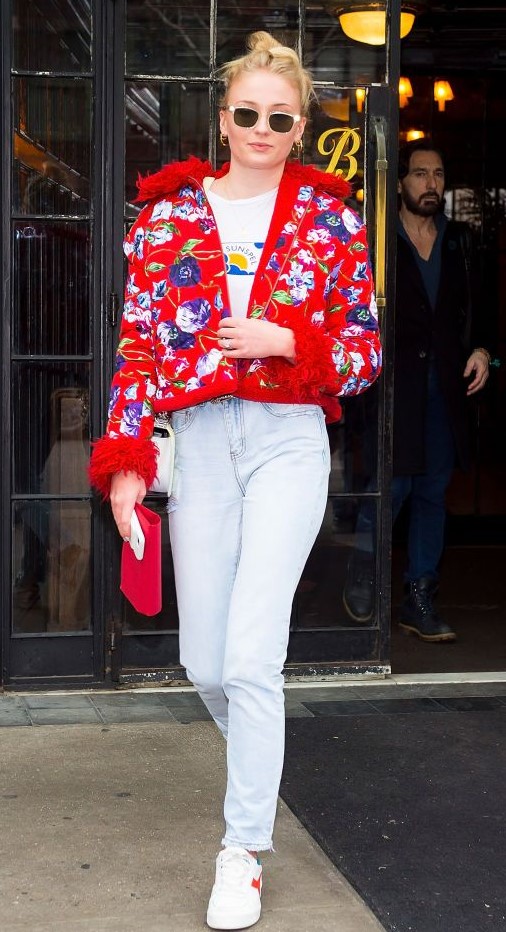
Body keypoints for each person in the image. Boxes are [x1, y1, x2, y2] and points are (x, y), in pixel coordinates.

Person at [89, 31, 381, 931]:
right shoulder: (168, 217)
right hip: (203, 440)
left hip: (290, 440)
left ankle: (242, 847)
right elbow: (138, 354)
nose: (262, 127)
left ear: (300, 127)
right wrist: (127, 466)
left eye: (280, 117)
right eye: (246, 113)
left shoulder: (331, 220)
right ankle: (261, 756)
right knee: (204, 662)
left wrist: (291, 341)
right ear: (223, 120)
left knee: (253, 657)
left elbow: (363, 355)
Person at [343, 138, 490, 642]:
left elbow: (484, 310)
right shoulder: (376, 241)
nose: (432, 185)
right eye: (422, 174)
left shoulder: (461, 241)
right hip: (391, 389)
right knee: (391, 488)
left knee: (432, 492)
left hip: (446, 392)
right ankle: (364, 575)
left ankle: (419, 595)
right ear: (400, 182)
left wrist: (484, 352)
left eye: (439, 175)